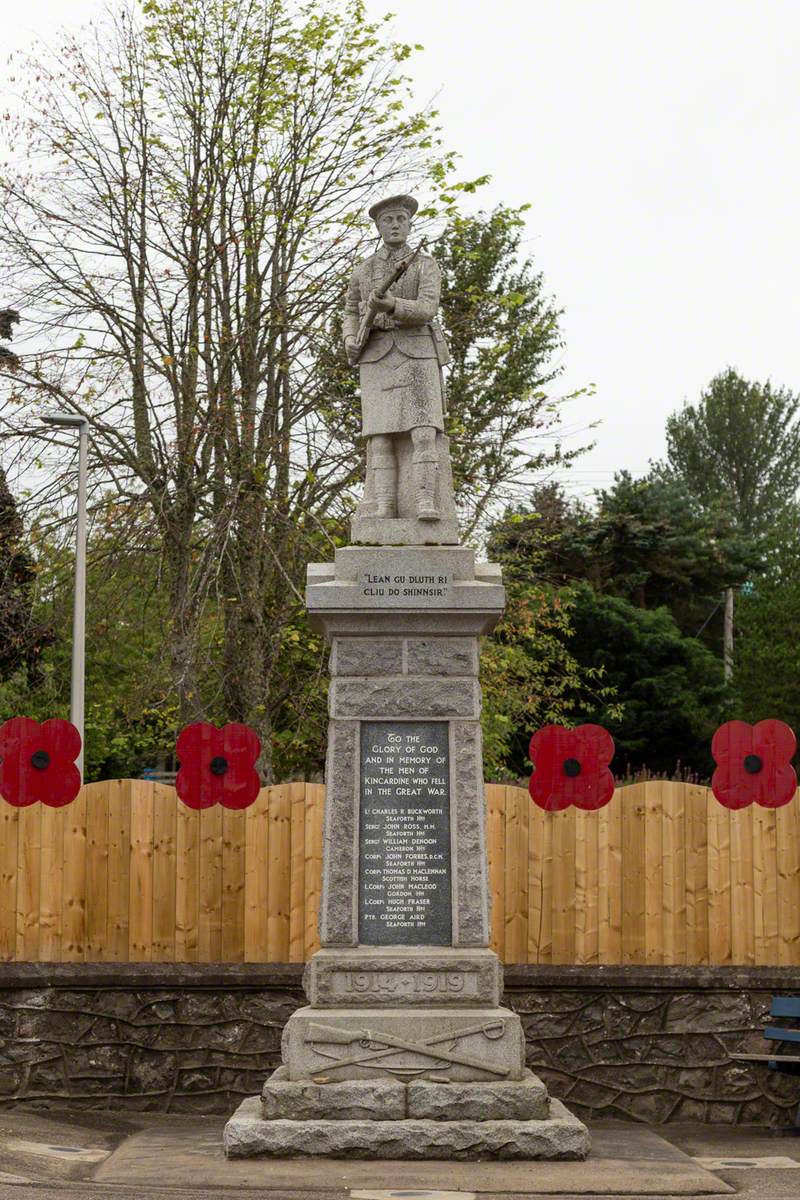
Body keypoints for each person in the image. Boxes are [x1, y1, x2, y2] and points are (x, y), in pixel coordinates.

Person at [343, 194, 450, 521]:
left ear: (409, 223)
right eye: (387, 220)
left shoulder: (424, 264)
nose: (394, 225)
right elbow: (350, 309)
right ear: (378, 226)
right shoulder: (364, 270)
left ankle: (424, 502)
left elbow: (428, 308)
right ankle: (385, 506)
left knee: (423, 432)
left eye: (400, 219)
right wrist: (349, 337)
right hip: (376, 356)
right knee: (379, 439)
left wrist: (391, 305)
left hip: (417, 352)